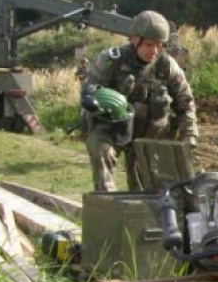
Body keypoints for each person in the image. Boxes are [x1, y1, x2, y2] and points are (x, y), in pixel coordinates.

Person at [82, 10, 198, 192]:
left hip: (151, 135)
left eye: (159, 45)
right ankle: (106, 201)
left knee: (151, 191)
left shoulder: (167, 66)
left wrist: (189, 138)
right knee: (101, 151)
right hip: (112, 129)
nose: (154, 51)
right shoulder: (110, 61)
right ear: (134, 38)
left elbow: (186, 104)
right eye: (149, 44)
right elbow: (89, 95)